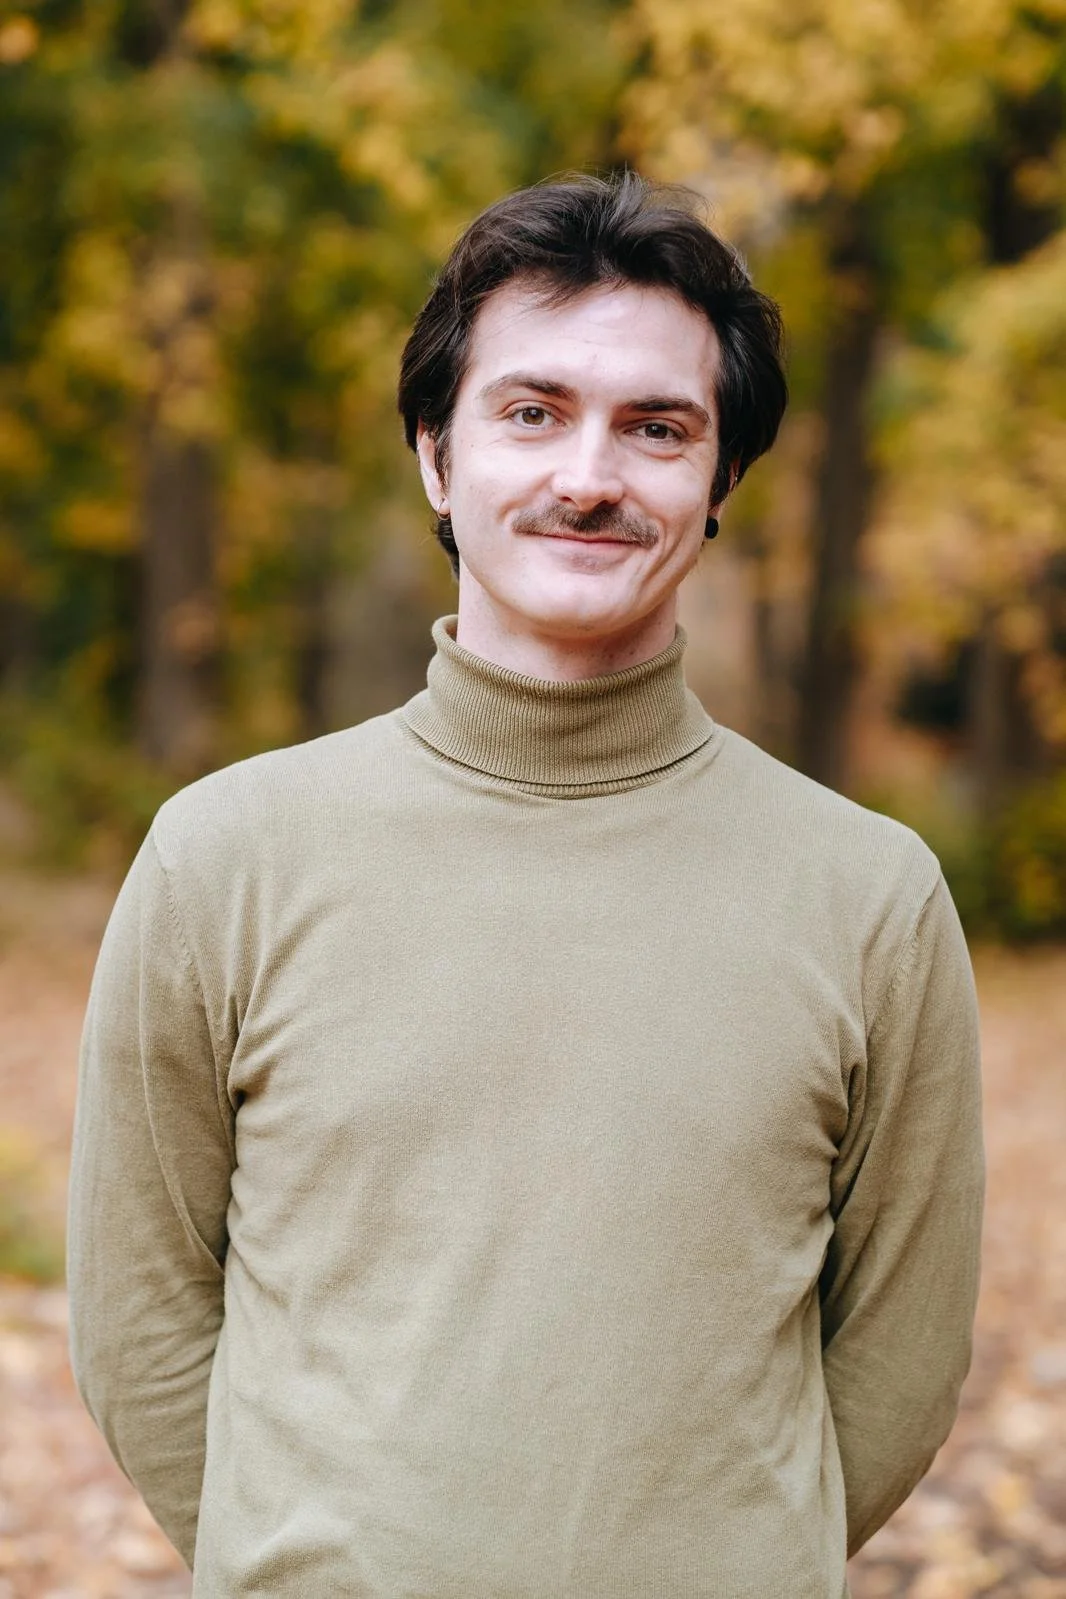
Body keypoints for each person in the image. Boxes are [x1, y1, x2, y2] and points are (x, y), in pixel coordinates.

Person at [68, 173, 984, 1597]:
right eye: (531, 410)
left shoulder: (867, 894)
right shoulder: (223, 857)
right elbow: (139, 1318)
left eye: (657, 428)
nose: (587, 475)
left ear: (718, 479)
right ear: (436, 455)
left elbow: (898, 1360)